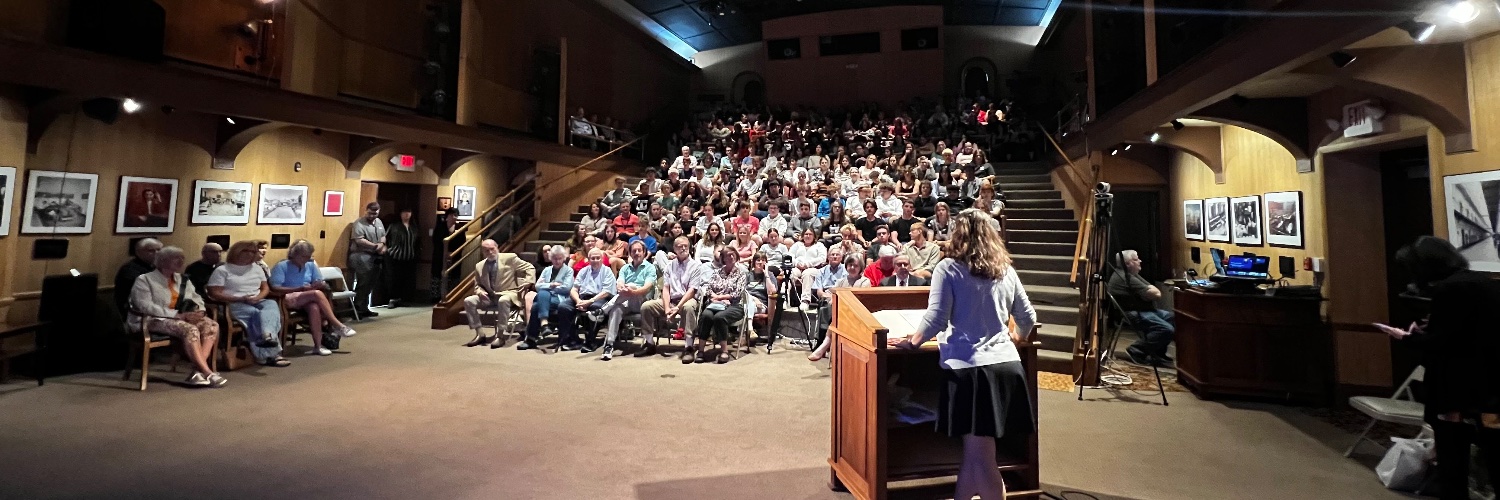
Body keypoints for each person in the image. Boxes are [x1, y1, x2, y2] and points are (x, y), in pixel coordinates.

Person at [888, 208, 1037, 500]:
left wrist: (913, 342)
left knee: (983, 458)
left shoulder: (949, 268)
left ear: (958, 234)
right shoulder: (1005, 268)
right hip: (1007, 367)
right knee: (973, 455)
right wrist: (1017, 338)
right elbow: (1028, 317)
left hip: (971, 372)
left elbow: (936, 318)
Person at [1381, 236, 1500, 499]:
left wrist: (1408, 337)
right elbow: (1470, 331)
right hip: (1488, 383)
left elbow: (1441, 342)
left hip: (1454, 385)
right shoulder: (1483, 282)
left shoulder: (1449, 290)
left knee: (1452, 457)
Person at [127, 246, 225, 388]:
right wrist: (176, 315)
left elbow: (196, 298)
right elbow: (144, 306)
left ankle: (197, 372)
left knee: (212, 325)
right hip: (151, 319)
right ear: (162, 261)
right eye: (176, 258)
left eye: (182, 258)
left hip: (181, 316)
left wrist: (200, 312)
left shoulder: (182, 279)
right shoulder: (145, 280)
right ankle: (207, 372)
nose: (181, 261)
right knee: (190, 329)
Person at [269, 240, 357, 356]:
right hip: (287, 297)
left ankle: (318, 346)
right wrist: (299, 288)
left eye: (308, 256)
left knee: (314, 307)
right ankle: (336, 324)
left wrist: (320, 284)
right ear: (293, 254)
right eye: (303, 256)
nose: (306, 259)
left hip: (307, 296)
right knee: (316, 294)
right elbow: (275, 288)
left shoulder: (310, 265)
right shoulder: (282, 266)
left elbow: (319, 280)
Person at [207, 241, 287, 367]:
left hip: (256, 299)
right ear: (237, 252)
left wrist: (258, 297)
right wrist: (239, 298)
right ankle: (271, 355)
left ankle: (267, 336)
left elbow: (265, 288)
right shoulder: (223, 270)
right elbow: (214, 293)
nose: (250, 254)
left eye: (253, 252)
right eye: (247, 251)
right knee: (255, 315)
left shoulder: (257, 268)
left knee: (270, 306)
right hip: (233, 303)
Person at [462, 240, 536, 348]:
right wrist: (479, 291)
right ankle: (480, 334)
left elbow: (529, 267)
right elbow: (477, 285)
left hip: (509, 294)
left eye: (492, 249)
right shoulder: (479, 266)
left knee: (503, 300)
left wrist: (528, 282)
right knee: (468, 301)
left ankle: (500, 336)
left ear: (497, 248)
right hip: (490, 296)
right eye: (486, 250)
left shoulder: (509, 258)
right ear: (483, 252)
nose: (490, 252)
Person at [1107, 250, 1174, 366]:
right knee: (1166, 329)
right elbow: (1156, 294)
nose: (1140, 261)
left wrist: (1148, 292)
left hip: (1144, 310)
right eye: (1136, 259)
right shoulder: (1124, 277)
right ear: (1127, 263)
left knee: (1172, 318)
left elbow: (1154, 292)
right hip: (1133, 313)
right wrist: (1147, 293)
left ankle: (1157, 353)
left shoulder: (1132, 275)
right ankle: (1136, 350)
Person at [641, 237, 703, 359]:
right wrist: (667, 308)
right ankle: (649, 344)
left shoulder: (696, 266)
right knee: (646, 307)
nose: (683, 248)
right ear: (674, 249)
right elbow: (666, 288)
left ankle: (689, 347)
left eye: (685, 245)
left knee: (689, 307)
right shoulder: (669, 266)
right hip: (671, 301)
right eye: (680, 246)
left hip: (687, 299)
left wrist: (677, 308)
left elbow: (692, 291)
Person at [598, 240, 657, 360]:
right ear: (630, 253)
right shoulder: (625, 268)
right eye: (633, 251)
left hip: (643, 302)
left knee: (633, 285)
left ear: (644, 252)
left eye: (639, 250)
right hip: (626, 301)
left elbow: (647, 287)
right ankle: (609, 344)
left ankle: (602, 311)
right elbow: (619, 283)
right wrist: (621, 287)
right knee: (616, 309)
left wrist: (632, 291)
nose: (636, 253)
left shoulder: (650, 268)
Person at [694, 247, 748, 364]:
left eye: (733, 254)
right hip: (715, 304)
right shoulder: (716, 273)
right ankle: (701, 350)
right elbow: (708, 289)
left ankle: (724, 351)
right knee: (706, 315)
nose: (731, 257)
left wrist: (720, 297)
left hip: (734, 305)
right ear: (723, 258)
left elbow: (737, 293)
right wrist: (716, 298)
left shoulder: (741, 274)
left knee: (720, 317)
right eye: (728, 255)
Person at [519, 245, 577, 351]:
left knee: (537, 305)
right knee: (542, 295)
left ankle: (532, 337)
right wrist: (551, 285)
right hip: (547, 298)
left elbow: (566, 287)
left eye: (560, 258)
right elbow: (537, 286)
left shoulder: (568, 270)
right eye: (555, 258)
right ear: (551, 258)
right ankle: (544, 325)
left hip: (560, 298)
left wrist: (546, 285)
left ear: (564, 258)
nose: (557, 261)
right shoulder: (547, 270)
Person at [571, 248, 616, 352]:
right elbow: (574, 289)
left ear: (602, 259)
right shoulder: (583, 271)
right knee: (564, 306)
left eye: (598, 258)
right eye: (593, 258)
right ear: (589, 259)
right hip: (582, 298)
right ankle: (572, 340)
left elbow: (607, 292)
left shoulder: (607, 271)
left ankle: (590, 342)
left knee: (594, 308)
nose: (595, 260)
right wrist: (578, 301)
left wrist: (590, 301)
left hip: (601, 298)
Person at [348, 202, 386, 317]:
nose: (372, 216)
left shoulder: (379, 222)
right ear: (366, 211)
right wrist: (375, 246)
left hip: (375, 256)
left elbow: (383, 235)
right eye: (370, 213)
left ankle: (365, 308)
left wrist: (382, 244)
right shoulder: (359, 223)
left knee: (371, 282)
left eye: (375, 213)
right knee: (363, 282)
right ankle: (357, 308)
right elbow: (359, 240)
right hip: (361, 256)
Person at [115, 238, 163, 315]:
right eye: (151, 251)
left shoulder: (155, 267)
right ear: (138, 252)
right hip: (136, 313)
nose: (157, 253)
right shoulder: (129, 270)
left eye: (159, 250)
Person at [383, 208, 419, 308]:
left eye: (408, 212)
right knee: (394, 278)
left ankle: (402, 299)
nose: (406, 214)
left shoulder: (414, 227)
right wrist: (386, 248)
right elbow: (385, 238)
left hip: (409, 256)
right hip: (395, 256)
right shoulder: (394, 226)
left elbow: (417, 242)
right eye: (404, 212)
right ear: (400, 214)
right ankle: (392, 299)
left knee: (406, 279)